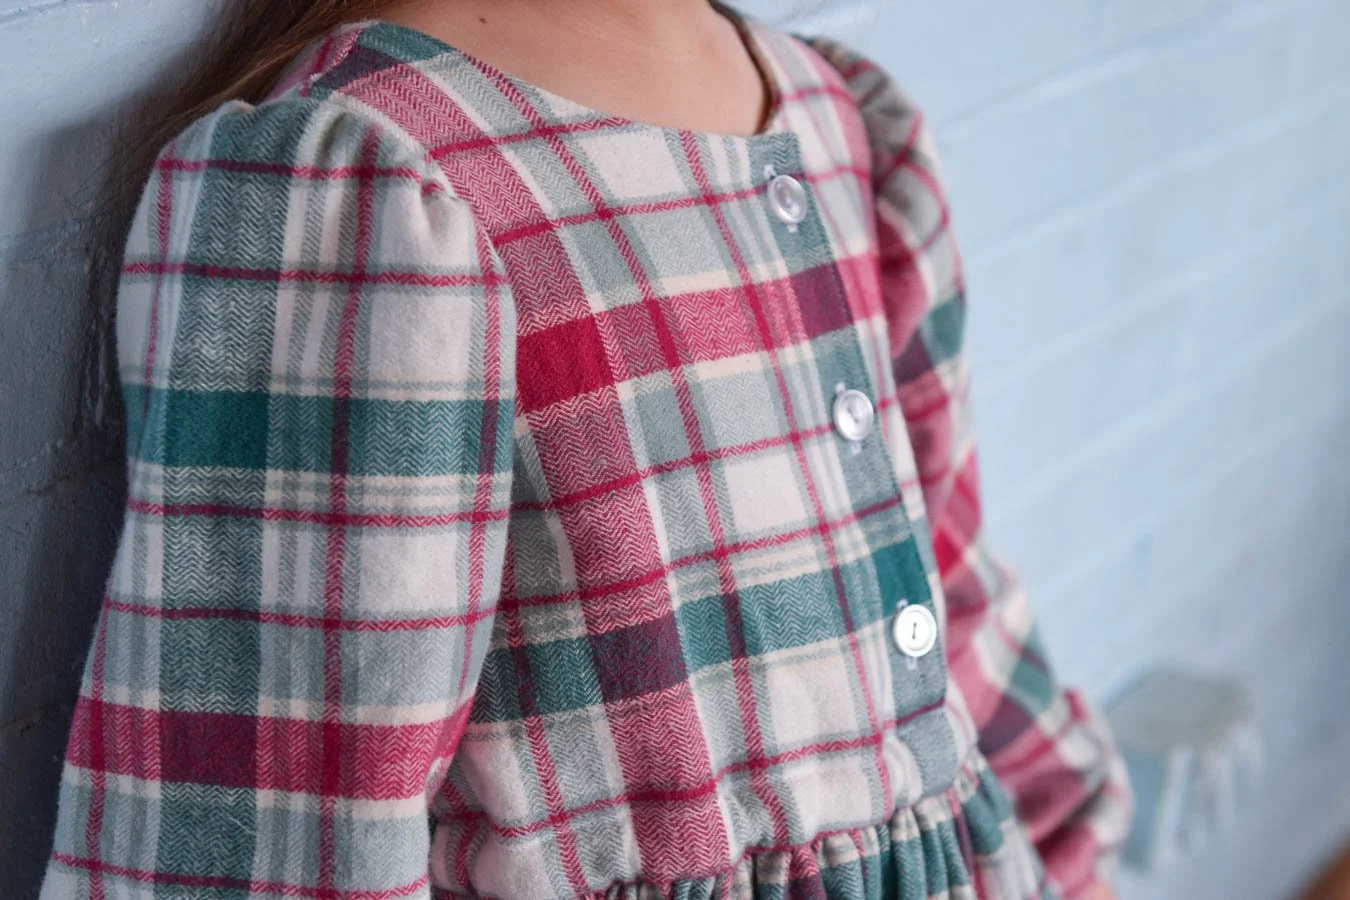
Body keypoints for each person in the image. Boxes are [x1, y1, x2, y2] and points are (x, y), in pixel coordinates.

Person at [40, 1, 1133, 898]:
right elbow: (273, 827)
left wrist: (1072, 844)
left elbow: (945, 585)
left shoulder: (842, 121)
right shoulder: (375, 183)